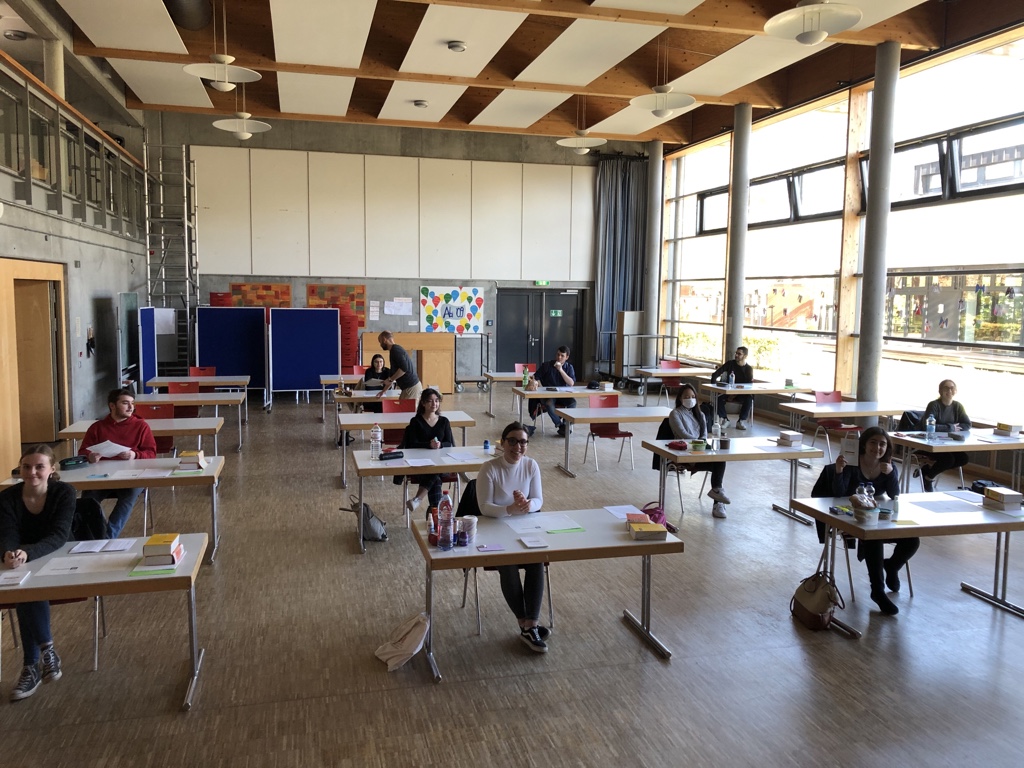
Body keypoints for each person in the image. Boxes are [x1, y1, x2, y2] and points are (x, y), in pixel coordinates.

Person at [811, 426, 918, 616]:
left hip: (876, 516)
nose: (877, 448)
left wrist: (891, 474)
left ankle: (891, 566)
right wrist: (838, 471)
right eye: (873, 443)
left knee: (912, 539)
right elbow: (839, 493)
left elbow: (894, 494)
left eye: (882, 444)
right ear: (864, 445)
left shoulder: (887, 466)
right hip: (850, 518)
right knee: (873, 538)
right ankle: (878, 591)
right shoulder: (852, 462)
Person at [1, 445, 75, 701]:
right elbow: (7, 533)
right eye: (26, 467)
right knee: (23, 585)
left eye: (39, 467)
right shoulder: (7, 498)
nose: (32, 472)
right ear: (20, 468)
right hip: (22, 560)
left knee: (26, 589)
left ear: (51, 469)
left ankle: (31, 665)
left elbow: (59, 535)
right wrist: (8, 552)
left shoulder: (64, 492)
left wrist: (27, 552)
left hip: (59, 557)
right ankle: (46, 653)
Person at [476, 422, 549, 653]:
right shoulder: (489, 468)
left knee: (537, 560)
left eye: (523, 442)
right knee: (508, 563)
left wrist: (528, 505)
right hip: (495, 528)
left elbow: (538, 499)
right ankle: (525, 622)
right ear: (503, 442)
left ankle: (531, 624)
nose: (518, 447)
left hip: (524, 527)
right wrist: (510, 509)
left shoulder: (531, 465)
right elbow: (484, 507)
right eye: (513, 441)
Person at [79, 388, 157, 538]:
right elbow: (83, 452)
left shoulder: (141, 426)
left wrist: (135, 454)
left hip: (132, 476)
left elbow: (151, 453)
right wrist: (90, 456)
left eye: (132, 403)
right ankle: (96, 533)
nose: (130, 407)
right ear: (112, 406)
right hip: (102, 476)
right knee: (88, 498)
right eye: (125, 403)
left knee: (128, 495)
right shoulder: (97, 427)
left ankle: (108, 537)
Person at [669, 384, 731, 519]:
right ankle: (718, 498)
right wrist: (698, 443)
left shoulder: (701, 414)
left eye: (693, 397)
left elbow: (704, 436)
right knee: (718, 465)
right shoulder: (675, 414)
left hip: (700, 452)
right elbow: (683, 434)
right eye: (686, 397)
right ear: (680, 398)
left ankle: (717, 497)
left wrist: (700, 444)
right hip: (684, 454)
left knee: (720, 459)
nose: (690, 399)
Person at [398, 388, 454, 517]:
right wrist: (428, 445)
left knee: (435, 472)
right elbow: (412, 444)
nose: (434, 404)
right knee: (435, 478)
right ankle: (435, 513)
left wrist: (440, 445)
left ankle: (419, 500)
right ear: (423, 403)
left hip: (441, 463)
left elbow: (449, 443)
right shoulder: (416, 421)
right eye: (430, 401)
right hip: (421, 463)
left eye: (437, 401)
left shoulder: (444, 421)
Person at [917, 379, 971, 492]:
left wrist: (948, 428)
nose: (949, 391)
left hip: (949, 443)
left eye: (952, 388)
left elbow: (967, 424)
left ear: (955, 391)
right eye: (946, 388)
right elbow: (928, 426)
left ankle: (928, 472)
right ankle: (929, 478)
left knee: (963, 458)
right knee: (949, 459)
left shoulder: (958, 406)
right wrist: (950, 428)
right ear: (940, 391)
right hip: (931, 443)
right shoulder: (934, 405)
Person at [529, 345, 576, 437]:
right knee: (549, 403)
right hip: (548, 394)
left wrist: (561, 370)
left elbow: (571, 383)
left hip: (563, 395)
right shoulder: (546, 365)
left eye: (562, 356)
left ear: (567, 357)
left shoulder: (569, 367)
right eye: (558, 354)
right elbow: (535, 377)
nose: (559, 357)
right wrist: (540, 387)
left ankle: (565, 424)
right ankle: (560, 425)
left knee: (573, 403)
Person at [710, 346, 754, 429]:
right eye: (736, 353)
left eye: (739, 354)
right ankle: (725, 419)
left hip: (741, 393)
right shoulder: (730, 364)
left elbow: (749, 385)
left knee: (749, 399)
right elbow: (715, 374)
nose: (736, 355)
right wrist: (714, 387)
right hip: (728, 390)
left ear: (745, 356)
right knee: (718, 398)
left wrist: (735, 394)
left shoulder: (749, 369)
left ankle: (741, 421)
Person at [376, 331, 422, 402]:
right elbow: (392, 375)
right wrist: (383, 391)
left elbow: (404, 369)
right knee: (401, 408)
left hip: (411, 387)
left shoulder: (396, 350)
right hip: (407, 388)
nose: (380, 345)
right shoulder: (393, 351)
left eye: (380, 342)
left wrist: (390, 380)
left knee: (407, 409)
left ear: (384, 339)